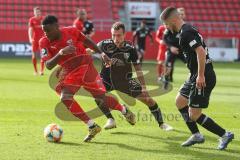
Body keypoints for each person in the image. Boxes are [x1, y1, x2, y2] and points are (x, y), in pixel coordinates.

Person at [39, 15, 135, 142]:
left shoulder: (71, 31)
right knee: (65, 97)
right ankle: (92, 125)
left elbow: (87, 41)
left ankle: (123, 109)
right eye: (44, 31)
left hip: (86, 66)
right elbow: (48, 65)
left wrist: (101, 53)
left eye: (48, 30)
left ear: (57, 27)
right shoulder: (44, 42)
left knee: (101, 98)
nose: (46, 34)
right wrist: (61, 52)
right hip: (70, 72)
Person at [160, 7, 234, 150]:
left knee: (194, 114)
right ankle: (196, 135)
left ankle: (225, 134)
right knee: (180, 101)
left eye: (167, 24)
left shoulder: (186, 32)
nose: (166, 28)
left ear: (173, 20)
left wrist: (200, 75)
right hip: (194, 74)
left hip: (203, 75)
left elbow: (200, 52)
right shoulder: (186, 30)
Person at [95, 22, 173, 131]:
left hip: (125, 81)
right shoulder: (104, 44)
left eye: (118, 35)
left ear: (124, 35)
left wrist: (144, 87)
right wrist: (98, 52)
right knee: (97, 95)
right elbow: (90, 48)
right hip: (107, 79)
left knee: (148, 100)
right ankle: (111, 119)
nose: (115, 38)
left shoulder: (130, 48)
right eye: (113, 35)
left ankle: (162, 124)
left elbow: (138, 69)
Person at [163, 7, 186, 83]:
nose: (181, 16)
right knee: (168, 66)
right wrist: (171, 47)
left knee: (191, 64)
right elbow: (164, 39)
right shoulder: (170, 25)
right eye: (180, 14)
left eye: (182, 14)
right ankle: (166, 81)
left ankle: (194, 80)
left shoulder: (186, 27)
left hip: (182, 50)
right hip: (172, 50)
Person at [28, 7, 44, 75]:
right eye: (36, 12)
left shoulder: (44, 19)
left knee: (43, 55)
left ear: (40, 12)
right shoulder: (32, 19)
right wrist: (30, 38)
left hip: (43, 39)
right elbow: (30, 29)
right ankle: (35, 71)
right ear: (34, 13)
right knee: (34, 55)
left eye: (38, 12)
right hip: (35, 39)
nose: (37, 13)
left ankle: (41, 71)